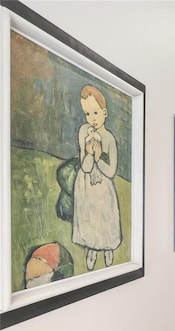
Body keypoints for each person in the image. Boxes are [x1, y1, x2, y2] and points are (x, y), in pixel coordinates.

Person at [72, 85, 122, 270]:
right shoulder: (84, 132)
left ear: (104, 112)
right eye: (87, 113)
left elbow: (110, 172)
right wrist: (88, 152)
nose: (91, 119)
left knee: (105, 218)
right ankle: (92, 248)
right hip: (85, 184)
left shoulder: (109, 139)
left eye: (95, 112)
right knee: (89, 217)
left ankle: (108, 248)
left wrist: (98, 158)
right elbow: (84, 168)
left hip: (103, 185)